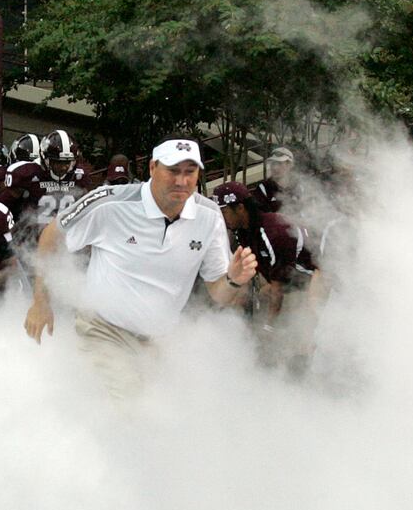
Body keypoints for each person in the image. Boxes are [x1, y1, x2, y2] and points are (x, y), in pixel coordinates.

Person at [23, 137, 257, 394]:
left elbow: (218, 291)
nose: (181, 181)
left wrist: (233, 279)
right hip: (104, 329)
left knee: (166, 407)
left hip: (160, 340)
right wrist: (41, 301)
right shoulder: (109, 202)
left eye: (190, 172)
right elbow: (53, 235)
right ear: (152, 168)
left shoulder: (209, 216)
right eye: (173, 171)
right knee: (128, 402)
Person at [211, 181, 301, 324]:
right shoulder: (242, 231)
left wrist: (269, 326)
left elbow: (278, 288)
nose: (221, 218)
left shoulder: (272, 231)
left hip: (311, 279)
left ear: (240, 208)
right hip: (287, 282)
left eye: (224, 212)